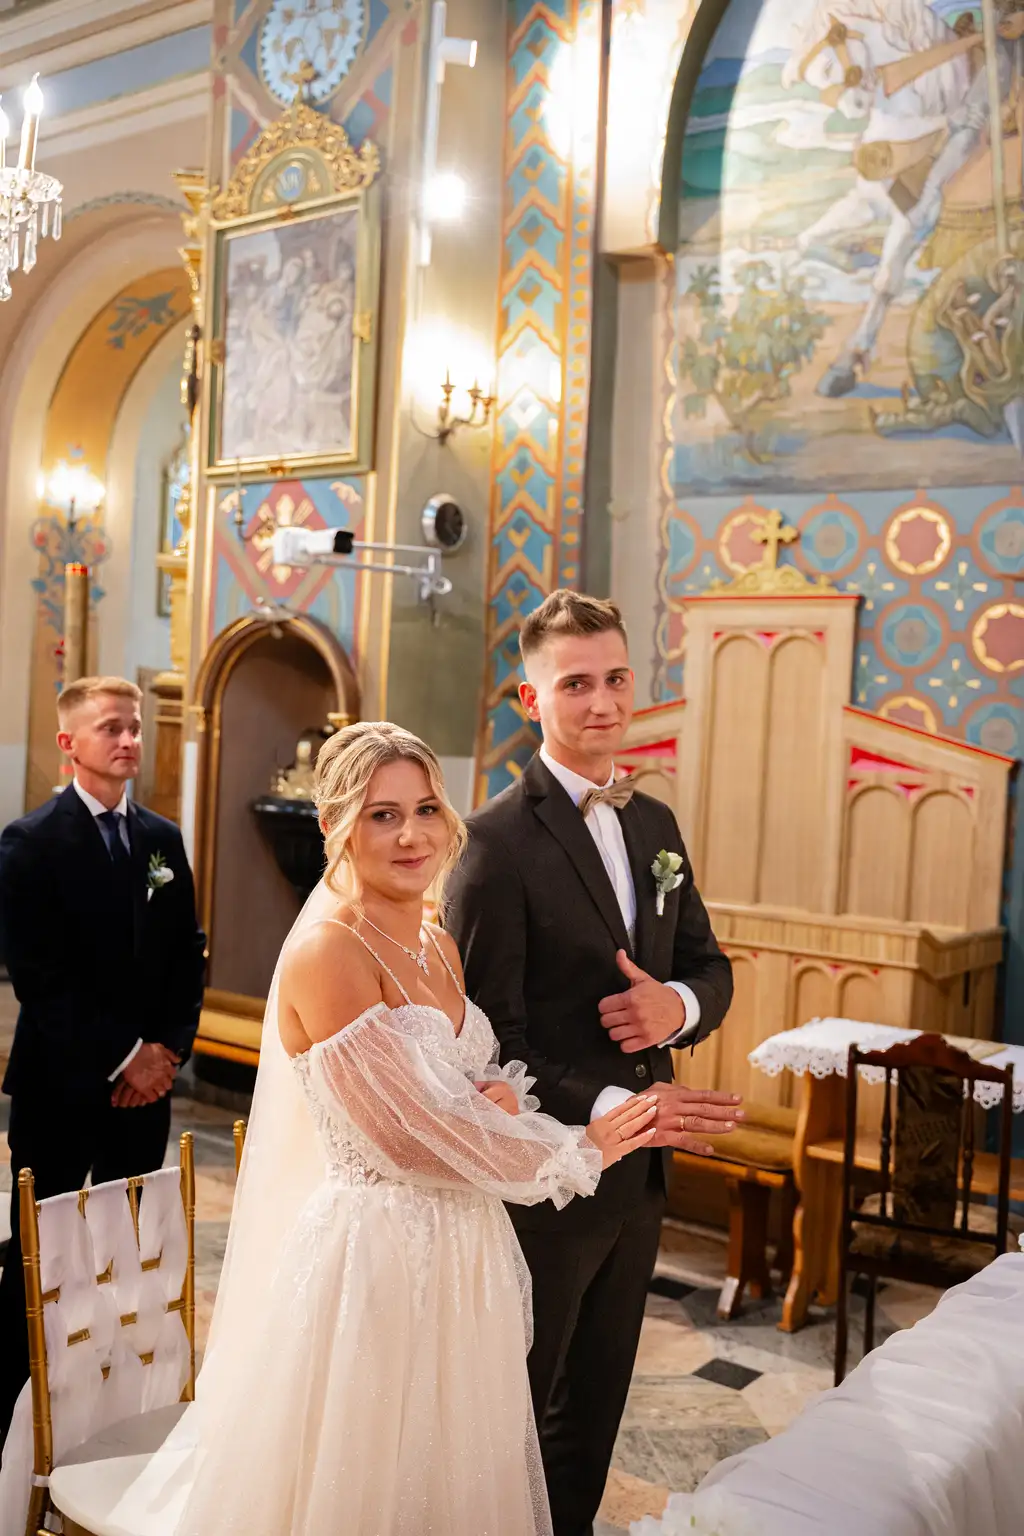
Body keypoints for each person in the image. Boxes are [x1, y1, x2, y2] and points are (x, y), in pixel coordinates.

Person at [110, 721, 659, 1536]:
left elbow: (454, 1087)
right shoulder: (329, 951)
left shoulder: (438, 944)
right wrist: (578, 1148)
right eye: (382, 815)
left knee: (451, 1474)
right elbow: (402, 1137)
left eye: (426, 809)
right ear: (333, 824)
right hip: (379, 1258)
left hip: (463, 1248)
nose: (412, 835)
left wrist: (489, 1096)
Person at [446, 590, 737, 1536]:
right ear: (531, 700)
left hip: (640, 1178)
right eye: (575, 684)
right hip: (548, 1174)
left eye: (616, 678)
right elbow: (487, 1038)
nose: (603, 701)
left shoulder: (655, 825)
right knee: (518, 1405)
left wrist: (675, 1007)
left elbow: (709, 967)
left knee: (596, 1409)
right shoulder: (493, 842)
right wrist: (616, 1104)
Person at [0, 676, 206, 1452]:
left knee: (129, 1254)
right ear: (69, 743)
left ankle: (111, 1417)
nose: (128, 740)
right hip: (61, 1085)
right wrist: (125, 1057)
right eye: (111, 727)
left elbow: (186, 952)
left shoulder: (161, 839)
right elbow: (40, 977)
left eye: (135, 727)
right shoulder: (30, 842)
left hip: (144, 1094)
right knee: (39, 1257)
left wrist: (167, 1053)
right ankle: (15, 1424)